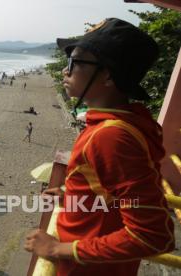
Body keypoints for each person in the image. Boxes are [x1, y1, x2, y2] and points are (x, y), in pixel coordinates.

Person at [24, 18, 175, 276]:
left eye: (74, 61)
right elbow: (117, 195)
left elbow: (153, 236)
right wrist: (75, 199)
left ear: (106, 74)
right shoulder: (128, 122)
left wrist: (57, 250)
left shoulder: (111, 137)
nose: (64, 70)